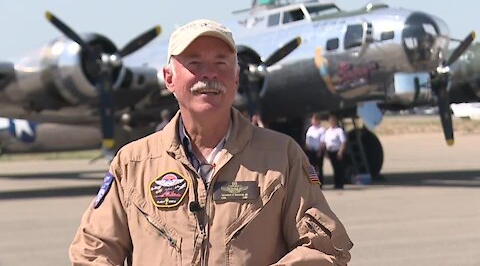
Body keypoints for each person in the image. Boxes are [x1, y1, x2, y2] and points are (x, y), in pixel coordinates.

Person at [69, 19, 352, 265]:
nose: (209, 74)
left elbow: (325, 250)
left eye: (221, 63)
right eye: (194, 63)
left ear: (237, 77)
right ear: (169, 78)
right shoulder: (132, 163)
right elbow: (92, 251)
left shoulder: (282, 157)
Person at [324, 114, 347, 189]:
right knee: (334, 168)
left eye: (332, 121)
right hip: (330, 152)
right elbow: (326, 142)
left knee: (339, 168)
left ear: (335, 121)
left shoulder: (339, 130)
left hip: (337, 151)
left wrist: (340, 152)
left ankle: (341, 184)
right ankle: (336, 183)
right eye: (330, 121)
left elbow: (343, 142)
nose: (331, 122)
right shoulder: (328, 131)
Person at [305, 113, 325, 187]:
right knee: (311, 168)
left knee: (319, 167)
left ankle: (320, 183)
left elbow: (322, 141)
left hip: (318, 150)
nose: (314, 121)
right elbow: (307, 141)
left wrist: (320, 151)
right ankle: (314, 183)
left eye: (316, 119)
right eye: (313, 119)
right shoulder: (310, 129)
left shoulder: (321, 129)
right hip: (311, 151)